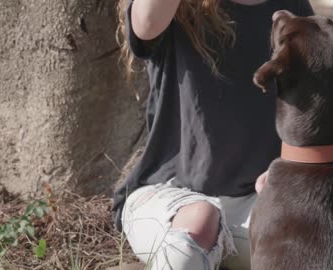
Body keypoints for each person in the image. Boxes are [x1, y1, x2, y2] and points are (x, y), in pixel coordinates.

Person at [113, 0, 314, 269]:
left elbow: (308, 105)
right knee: (195, 230)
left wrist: (292, 165)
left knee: (311, 248)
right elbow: (146, 22)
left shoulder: (291, 6)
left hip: (257, 200)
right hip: (171, 191)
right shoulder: (178, 8)